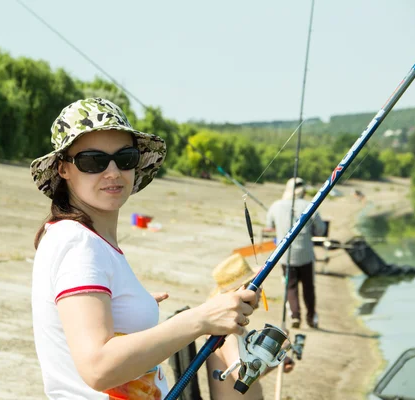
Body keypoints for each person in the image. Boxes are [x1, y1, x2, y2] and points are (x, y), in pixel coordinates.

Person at [30, 98, 260, 399]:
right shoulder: (79, 245)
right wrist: (200, 319)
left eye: (124, 158)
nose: (112, 171)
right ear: (63, 169)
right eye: (92, 161)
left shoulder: (76, 237)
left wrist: (130, 303)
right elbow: (97, 368)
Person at [204, 253, 295, 400]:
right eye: (257, 285)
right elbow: (243, 374)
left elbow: (249, 367)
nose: (260, 291)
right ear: (245, 289)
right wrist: (278, 348)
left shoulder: (231, 325)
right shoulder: (226, 331)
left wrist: (274, 363)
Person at [266, 177, 327, 329]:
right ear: (304, 190)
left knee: (290, 287)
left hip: (285, 256)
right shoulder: (311, 206)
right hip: (306, 255)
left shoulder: (276, 205)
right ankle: (311, 318)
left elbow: (269, 225)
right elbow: (321, 230)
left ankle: (295, 316)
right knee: (308, 288)